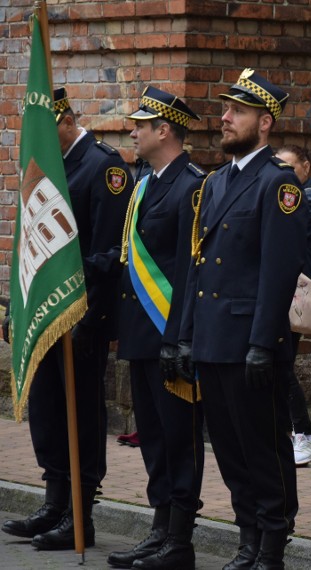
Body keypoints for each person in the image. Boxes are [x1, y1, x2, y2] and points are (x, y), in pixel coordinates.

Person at [173, 68, 307, 570]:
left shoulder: (278, 183)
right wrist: (186, 335)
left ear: (264, 123)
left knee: (263, 448)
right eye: (226, 110)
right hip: (212, 336)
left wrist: (264, 343)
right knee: (229, 449)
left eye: (237, 112)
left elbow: (277, 271)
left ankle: (272, 544)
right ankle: (248, 537)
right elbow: (196, 268)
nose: (224, 118)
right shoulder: (216, 181)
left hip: (250, 340)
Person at [2, 88, 133, 551]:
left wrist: (82, 312)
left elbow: (111, 251)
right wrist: (18, 305)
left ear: (66, 120)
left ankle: (81, 514)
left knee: (81, 415)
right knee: (46, 411)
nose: (37, 141)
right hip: (45, 315)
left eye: (44, 131)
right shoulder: (47, 168)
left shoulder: (104, 166)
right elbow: (31, 243)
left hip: (81, 316)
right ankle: (54, 503)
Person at [105, 87, 207, 570]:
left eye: (139, 126)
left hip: (170, 335)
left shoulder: (192, 185)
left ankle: (179, 542)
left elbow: (192, 271)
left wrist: (180, 338)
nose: (132, 131)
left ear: (163, 130)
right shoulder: (145, 182)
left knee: (178, 439)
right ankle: (159, 529)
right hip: (142, 334)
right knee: (152, 436)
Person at [275, 144, 311, 466]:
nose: (284, 174)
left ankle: (304, 434)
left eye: (290, 167)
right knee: (282, 364)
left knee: (282, 365)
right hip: (290, 290)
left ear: (305, 168)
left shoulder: (307, 198)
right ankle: (297, 432)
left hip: (296, 292)